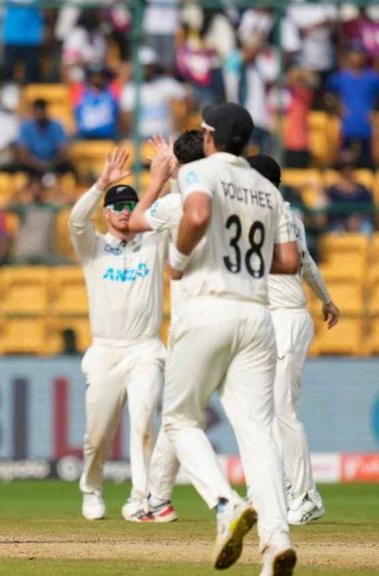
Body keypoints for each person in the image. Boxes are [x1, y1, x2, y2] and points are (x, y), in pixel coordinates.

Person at [163, 102, 300, 574]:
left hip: (209, 306)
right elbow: (288, 261)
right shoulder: (267, 188)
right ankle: (277, 538)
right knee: (259, 431)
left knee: (180, 420)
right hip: (258, 314)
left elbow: (197, 215)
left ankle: (226, 504)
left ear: (208, 136)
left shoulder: (199, 171)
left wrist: (178, 261)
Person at [68, 146, 172, 522]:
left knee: (144, 424)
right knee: (98, 436)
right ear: (107, 213)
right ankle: (91, 487)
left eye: (131, 205)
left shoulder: (154, 243)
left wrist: (169, 171)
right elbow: (75, 222)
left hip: (145, 349)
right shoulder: (94, 247)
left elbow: (173, 207)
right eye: (118, 206)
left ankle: (140, 497)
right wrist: (101, 185)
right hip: (106, 352)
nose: (126, 210)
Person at [248, 154, 340, 526]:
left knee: (283, 412)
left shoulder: (279, 216)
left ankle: (306, 495)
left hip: (285, 319)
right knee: (263, 413)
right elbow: (309, 264)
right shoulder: (282, 215)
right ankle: (274, 488)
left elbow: (294, 262)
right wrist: (328, 298)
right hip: (268, 320)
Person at [126, 129, 206, 523]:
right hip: (248, 315)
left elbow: (136, 220)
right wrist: (175, 167)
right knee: (257, 417)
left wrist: (159, 176)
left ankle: (213, 500)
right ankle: (271, 498)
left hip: (194, 323)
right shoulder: (234, 193)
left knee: (178, 417)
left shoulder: (177, 204)